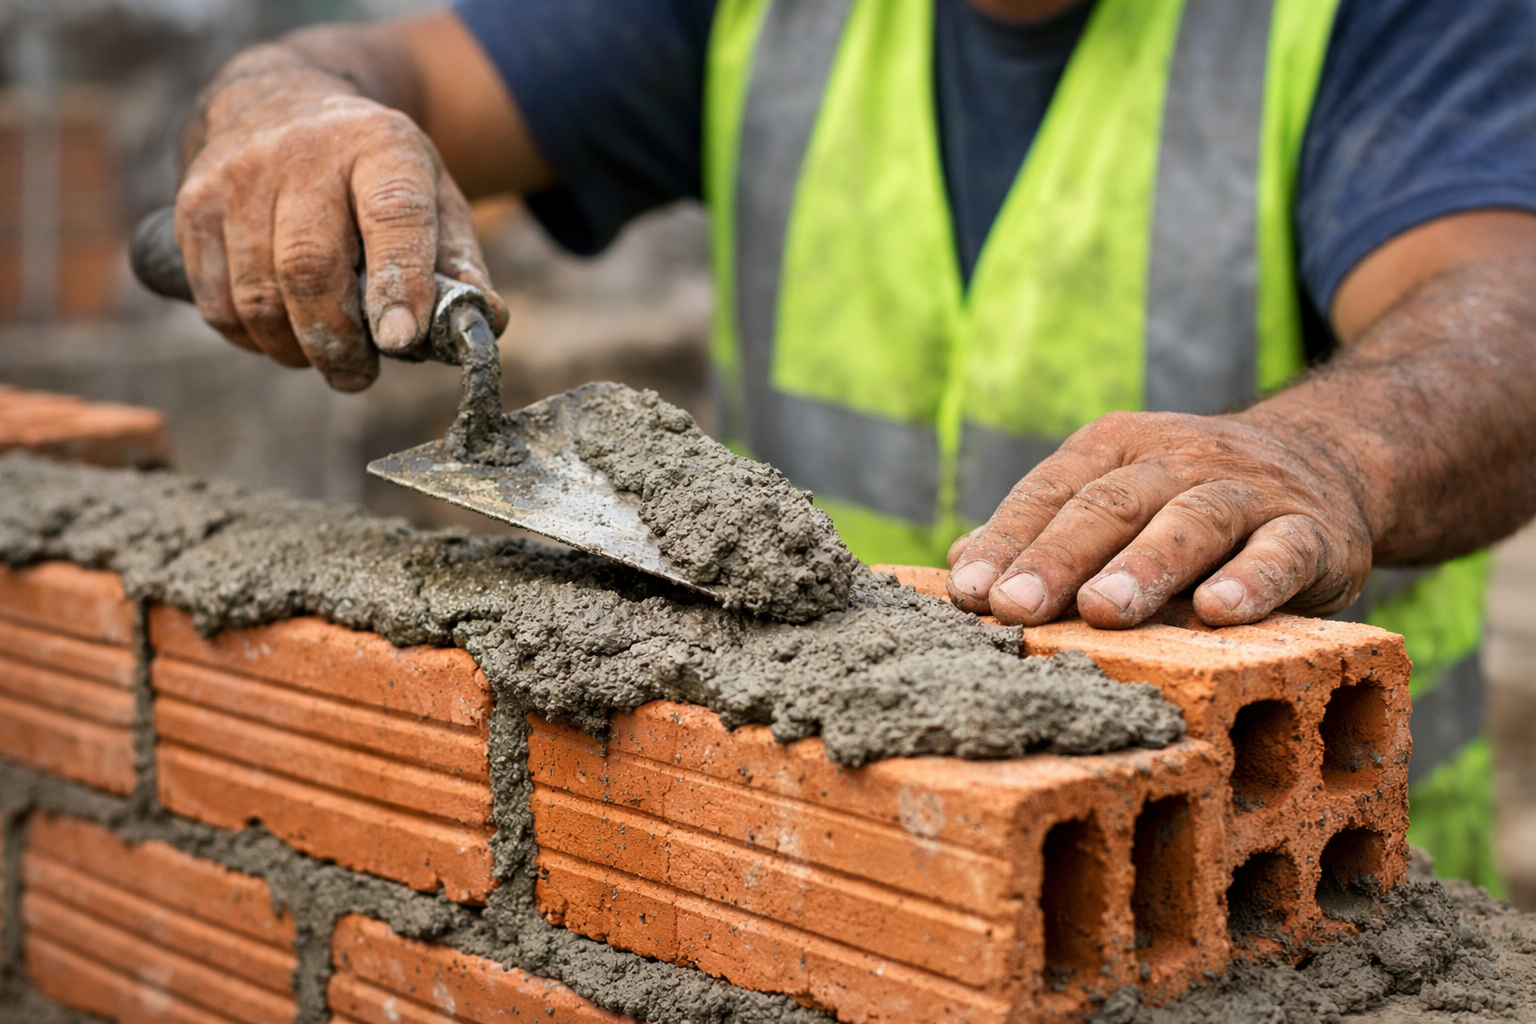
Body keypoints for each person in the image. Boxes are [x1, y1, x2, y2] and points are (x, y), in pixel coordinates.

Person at [168, 0, 1536, 889]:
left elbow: (1502, 313)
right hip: (827, 852)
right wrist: (289, 108)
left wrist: (1336, 454)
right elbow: (384, 68)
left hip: (1286, 874)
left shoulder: (1373, 21)